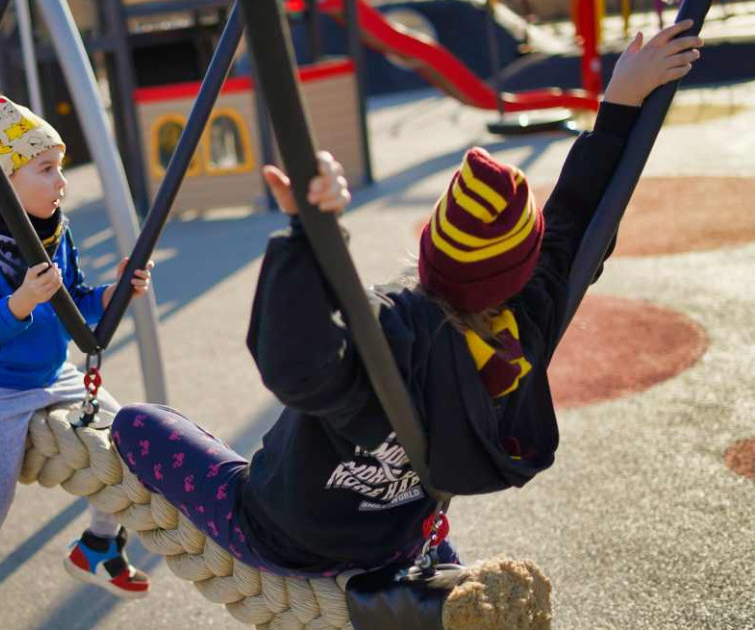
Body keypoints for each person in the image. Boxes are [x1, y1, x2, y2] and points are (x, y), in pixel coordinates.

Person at [111, 22, 703, 578]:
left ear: (430, 253)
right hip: (400, 540)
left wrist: (308, 237)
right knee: (436, 560)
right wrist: (620, 108)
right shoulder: (526, 330)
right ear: (522, 272)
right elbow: (579, 221)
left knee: (140, 423)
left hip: (281, 534)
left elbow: (295, 365)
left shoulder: (389, 330)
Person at [0, 96, 155, 630]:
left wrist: (117, 292)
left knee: (126, 444)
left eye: (60, 169)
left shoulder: (55, 231)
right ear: (4, 178)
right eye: (46, 170)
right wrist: (20, 302)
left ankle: (97, 545)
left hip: (57, 375)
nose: (61, 183)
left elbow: (76, 301)